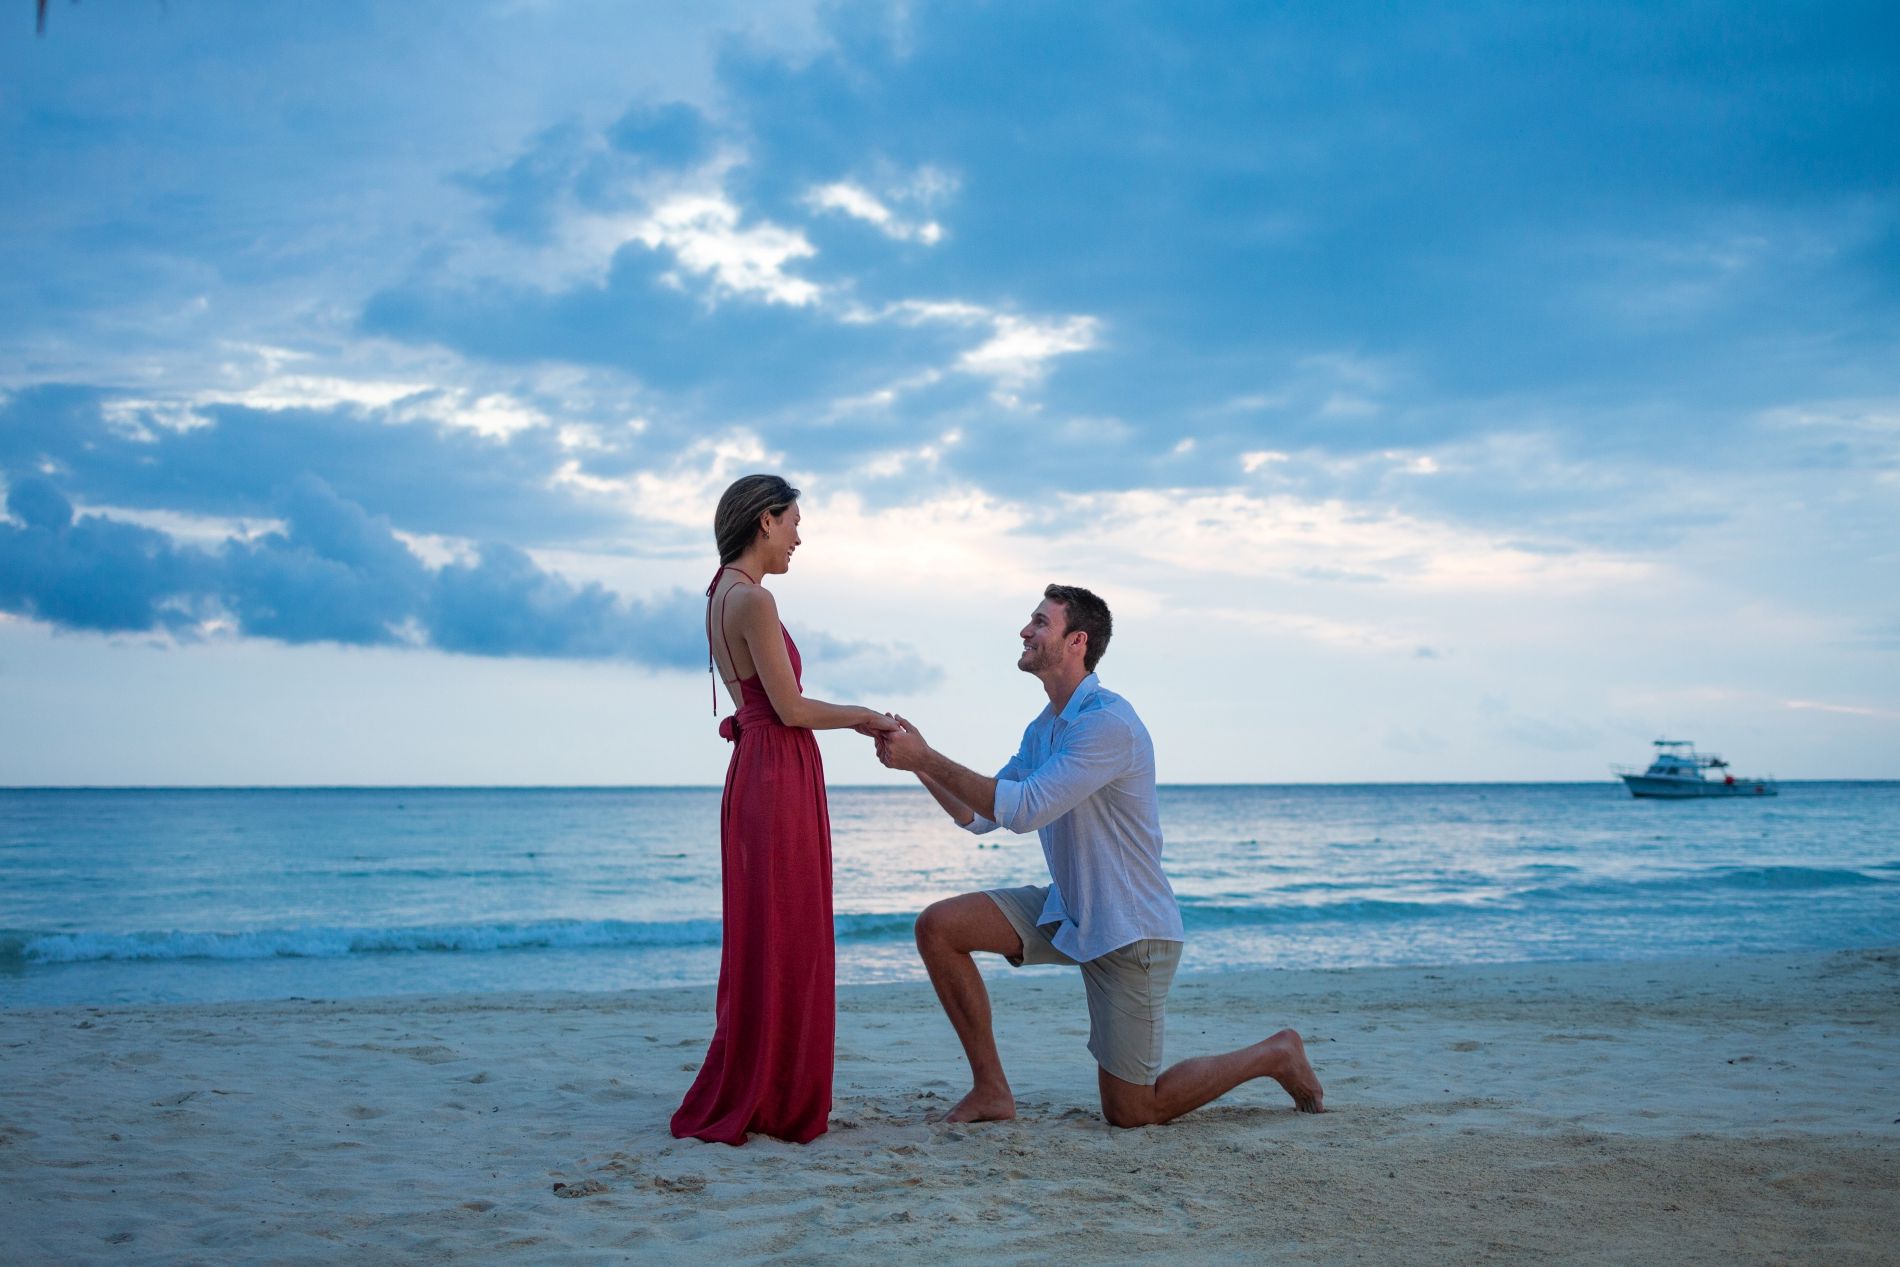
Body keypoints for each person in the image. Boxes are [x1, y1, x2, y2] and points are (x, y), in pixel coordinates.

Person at [874, 584, 1324, 1127]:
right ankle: (992, 1092)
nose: (1025, 631)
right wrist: (916, 764)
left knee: (1133, 1112)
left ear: (1076, 641)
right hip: (1069, 910)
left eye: (1040, 622)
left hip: (1131, 930)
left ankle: (1275, 1053)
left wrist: (929, 756)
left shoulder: (1108, 724)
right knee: (940, 927)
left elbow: (1024, 810)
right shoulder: (1043, 730)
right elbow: (982, 816)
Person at [671, 474, 898, 1146]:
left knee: (765, 933)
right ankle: (777, 1097)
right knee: (785, 931)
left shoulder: (720, 594)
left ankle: (768, 1084)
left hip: (758, 769)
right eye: (794, 522)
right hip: (775, 769)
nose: (800, 537)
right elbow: (791, 708)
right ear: (765, 520)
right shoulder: (752, 600)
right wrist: (865, 715)